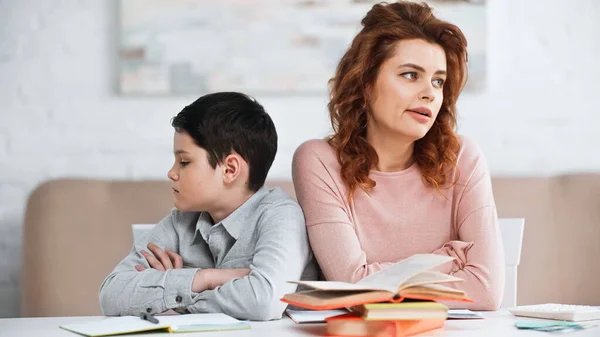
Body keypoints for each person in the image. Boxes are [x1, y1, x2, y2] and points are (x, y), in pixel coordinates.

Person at [292, 1, 504, 310]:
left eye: (438, 80)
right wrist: (449, 259)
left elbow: (486, 291)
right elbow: (354, 287)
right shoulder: (318, 161)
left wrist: (384, 278)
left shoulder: (463, 158)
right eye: (409, 75)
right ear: (365, 83)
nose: (430, 93)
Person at [100, 92, 316, 320]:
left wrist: (176, 296)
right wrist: (205, 278)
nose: (171, 173)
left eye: (184, 162)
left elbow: (263, 301)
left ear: (230, 169)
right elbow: (111, 296)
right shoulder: (180, 223)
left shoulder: (281, 215)